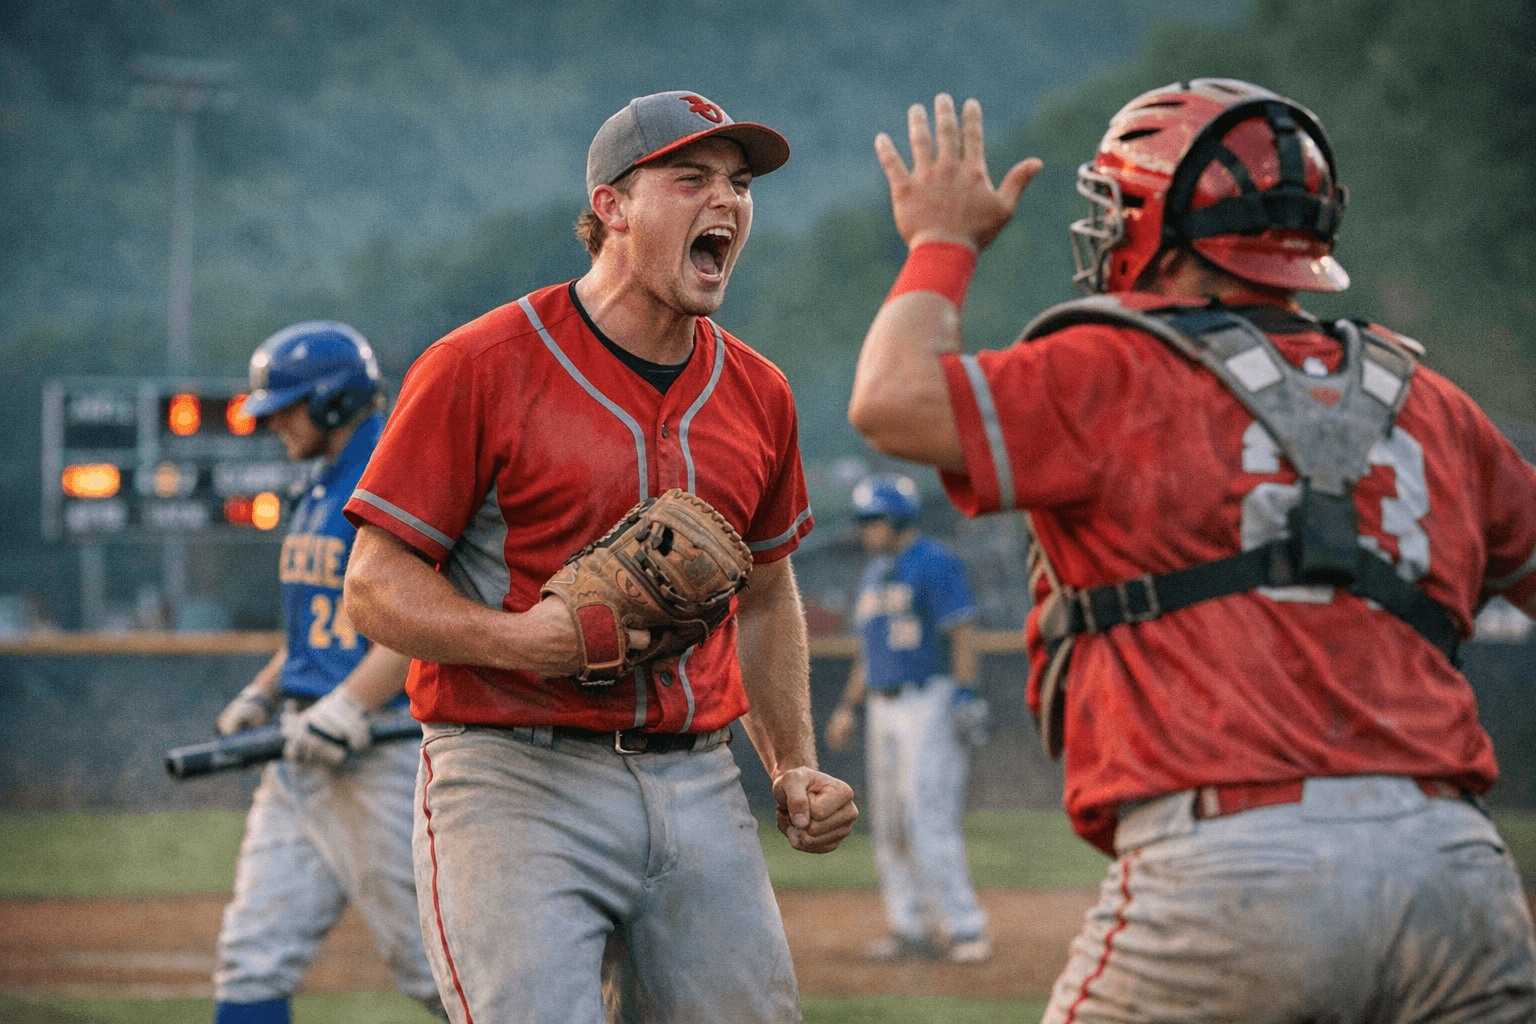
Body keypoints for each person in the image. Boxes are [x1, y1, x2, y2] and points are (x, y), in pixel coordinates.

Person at [847, 82, 1536, 1021]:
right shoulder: (1434, 403)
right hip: (1458, 869)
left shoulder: (1116, 367)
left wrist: (942, 238)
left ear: (1152, 227)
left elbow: (890, 399)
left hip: (1233, 866)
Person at [339, 90, 859, 1024]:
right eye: (691, 178)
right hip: (512, 776)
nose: (726, 201)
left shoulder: (759, 392)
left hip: (698, 779)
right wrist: (522, 642)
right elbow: (374, 587)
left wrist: (791, 765)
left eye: (740, 184)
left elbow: (765, 596)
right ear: (611, 207)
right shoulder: (480, 363)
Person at [211, 321, 444, 1023]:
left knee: (440, 968)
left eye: (287, 407)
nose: (273, 423)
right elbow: (321, 623)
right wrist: (263, 692)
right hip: (301, 747)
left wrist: (348, 706)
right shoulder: (321, 484)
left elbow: (423, 618)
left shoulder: (392, 477)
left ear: (335, 402)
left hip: (377, 752)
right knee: (251, 958)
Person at [825, 471, 992, 963]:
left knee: (928, 816)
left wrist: (965, 693)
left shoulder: (934, 561)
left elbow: (962, 630)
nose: (865, 528)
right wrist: (849, 707)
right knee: (890, 823)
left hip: (928, 700)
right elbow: (869, 651)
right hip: (882, 705)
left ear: (898, 518)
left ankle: (965, 927)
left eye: (873, 519)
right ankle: (910, 926)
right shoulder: (875, 572)